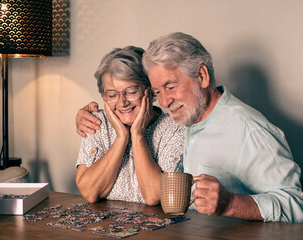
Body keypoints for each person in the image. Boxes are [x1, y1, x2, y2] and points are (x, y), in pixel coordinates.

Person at [75, 32, 303, 223]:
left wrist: (232, 203)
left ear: (202, 76)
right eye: (157, 92)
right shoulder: (184, 120)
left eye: (171, 86)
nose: (163, 102)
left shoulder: (250, 130)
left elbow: (297, 204)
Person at [76, 46, 185, 205]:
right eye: (112, 95)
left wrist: (138, 135)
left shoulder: (174, 127)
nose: (122, 102)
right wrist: (122, 138)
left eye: (131, 91)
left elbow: (154, 195)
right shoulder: (94, 123)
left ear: (149, 89)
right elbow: (89, 192)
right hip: (104, 227)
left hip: (161, 228)